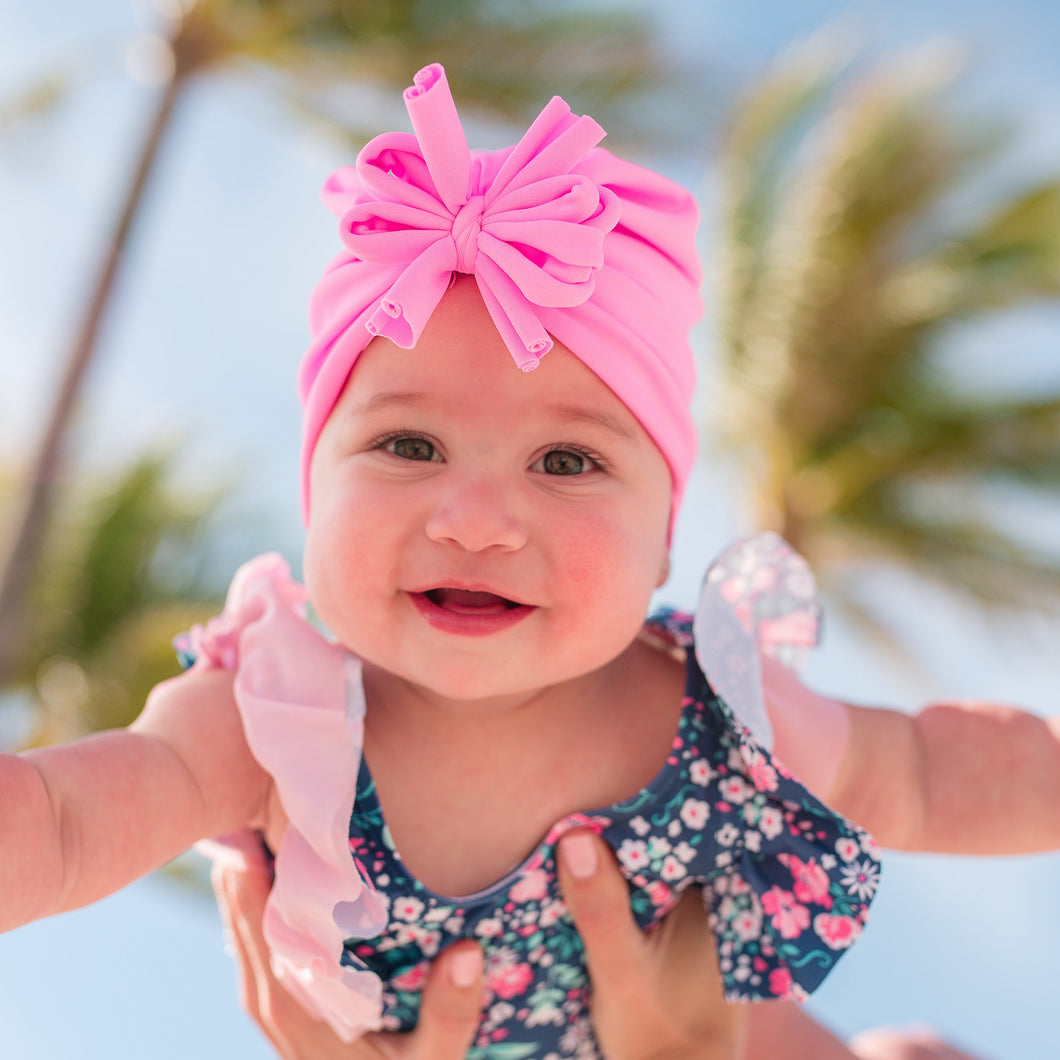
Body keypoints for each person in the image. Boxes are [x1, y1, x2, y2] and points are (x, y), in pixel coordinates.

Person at [1, 62, 1057, 1058]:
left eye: (565, 460)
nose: (475, 519)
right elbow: (60, 821)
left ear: (660, 549)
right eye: (408, 445)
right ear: (315, 493)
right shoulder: (266, 720)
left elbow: (924, 769)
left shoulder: (718, 716)